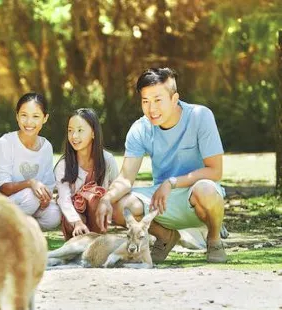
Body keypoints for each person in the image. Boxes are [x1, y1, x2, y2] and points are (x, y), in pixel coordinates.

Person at [96, 67, 227, 263]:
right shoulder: (140, 129)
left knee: (206, 189)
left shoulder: (200, 116)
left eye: (158, 100)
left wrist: (171, 182)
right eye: (145, 101)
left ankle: (214, 238)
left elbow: (215, 171)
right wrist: (106, 199)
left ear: (174, 99)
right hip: (161, 202)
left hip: (198, 196)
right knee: (119, 206)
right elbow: (125, 178)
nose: (152, 109)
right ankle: (165, 236)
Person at [0, 92, 61, 230]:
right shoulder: (5, 143)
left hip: (29, 204)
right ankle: (5, 224)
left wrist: (45, 199)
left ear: (45, 118)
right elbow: (3, 188)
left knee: (54, 214)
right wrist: (30, 183)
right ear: (17, 116)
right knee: (31, 196)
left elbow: (48, 186)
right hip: (2, 203)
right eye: (24, 115)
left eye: (35, 116)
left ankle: (21, 224)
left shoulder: (46, 147)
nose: (29, 122)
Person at [54, 108, 119, 240]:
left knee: (96, 197)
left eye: (80, 130)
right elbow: (64, 199)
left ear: (93, 133)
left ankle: (97, 241)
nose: (74, 136)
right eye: (70, 130)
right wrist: (77, 222)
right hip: (74, 219)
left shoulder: (108, 160)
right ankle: (80, 244)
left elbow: (117, 189)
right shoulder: (63, 165)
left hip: (99, 216)